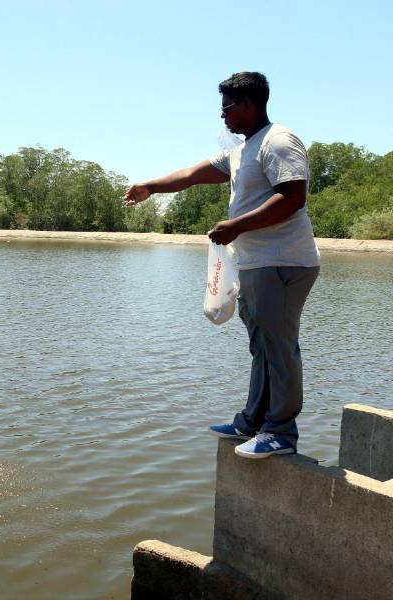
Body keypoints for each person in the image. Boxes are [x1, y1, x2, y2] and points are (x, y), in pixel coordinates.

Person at [123, 72, 320, 459]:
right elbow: (194, 174)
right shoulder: (241, 149)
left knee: (279, 348)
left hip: (283, 262)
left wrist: (237, 225)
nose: (222, 116)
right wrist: (151, 186)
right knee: (261, 346)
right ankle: (253, 421)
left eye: (227, 107)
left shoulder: (278, 141)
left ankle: (280, 432)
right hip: (254, 263)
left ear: (248, 105)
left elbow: (293, 197)